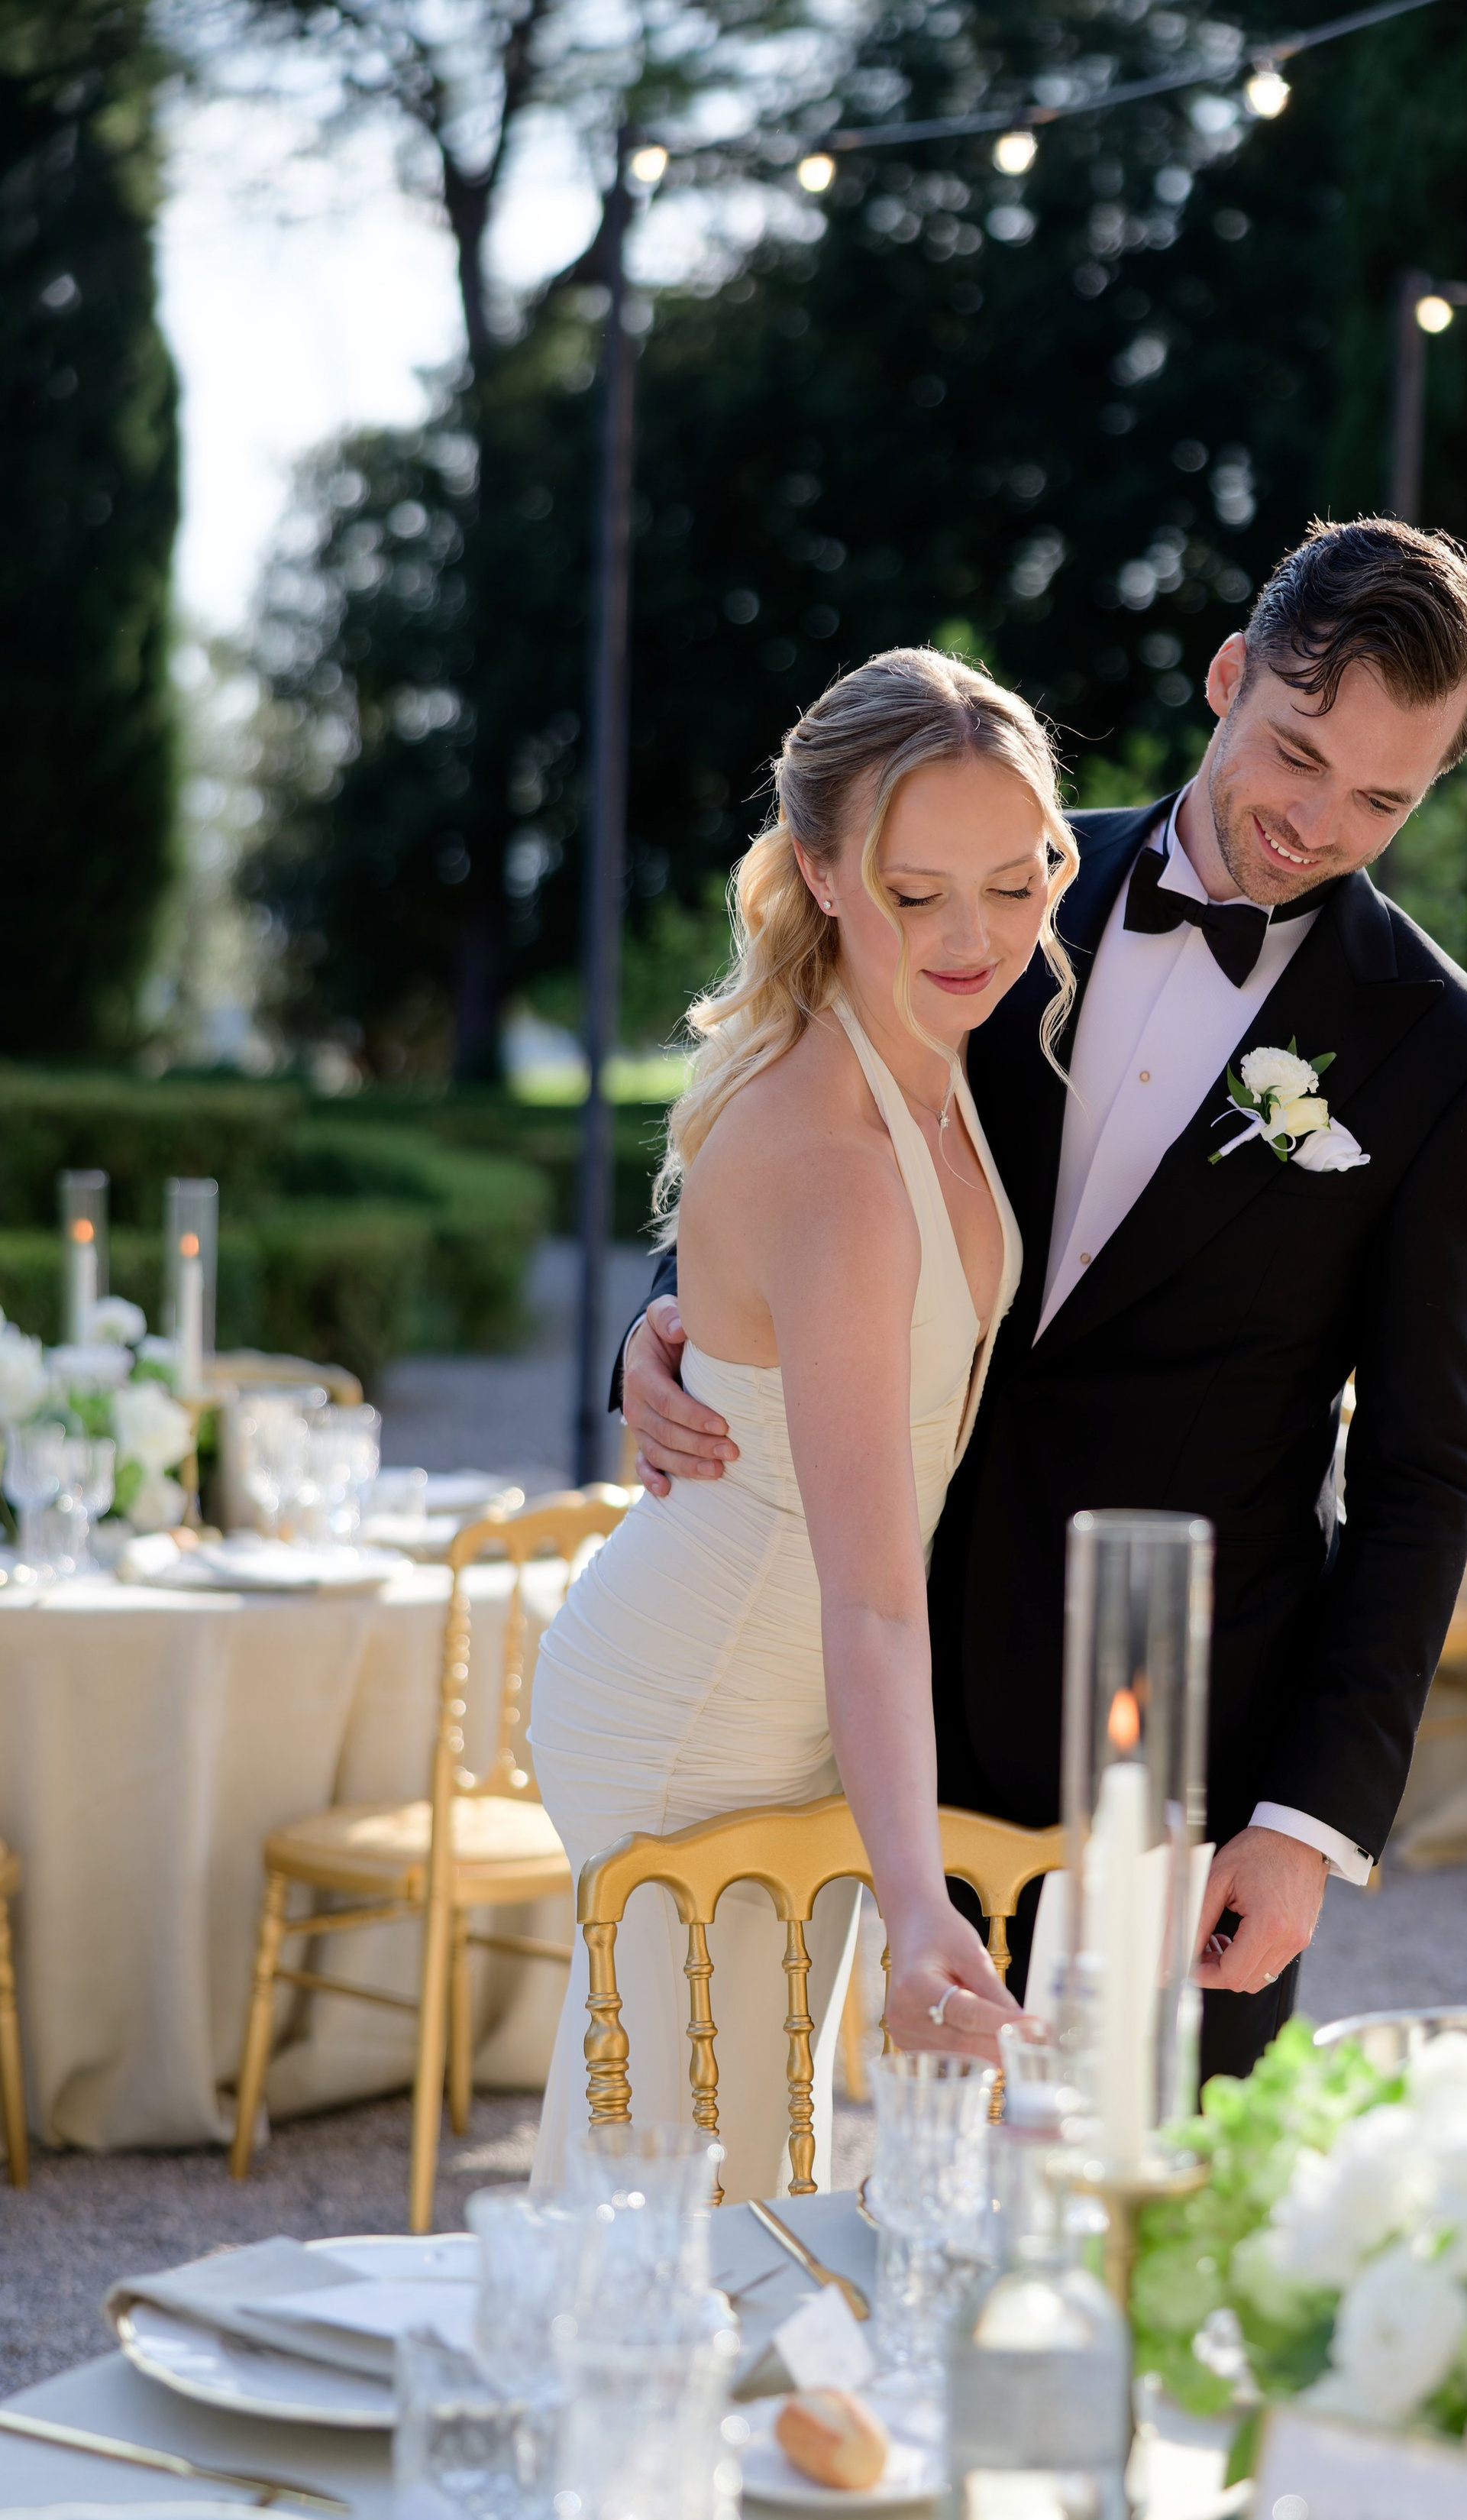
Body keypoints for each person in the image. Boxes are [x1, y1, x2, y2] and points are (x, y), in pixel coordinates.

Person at [621, 517, 1467, 2088]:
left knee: (1134, 2253)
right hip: (842, 1658)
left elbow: (1417, 1477)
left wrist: (1306, 1823)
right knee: (786, 2185)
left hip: (1168, 1749)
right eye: (1295, 754)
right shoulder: (991, 874)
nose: (1315, 822)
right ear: (1229, 676)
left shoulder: (1450, 1064)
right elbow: (799, 1108)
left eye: (1382, 797)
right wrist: (670, 1316)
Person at [524, 646, 1077, 2196]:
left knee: (750, 2162)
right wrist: (918, 1902)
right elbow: (868, 1592)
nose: (976, 937)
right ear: (824, 876)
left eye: (1015, 877)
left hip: (800, 1695)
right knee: (671, 2183)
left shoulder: (939, 1048)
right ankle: (581, 2417)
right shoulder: (834, 1151)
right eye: (917, 896)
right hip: (700, 1696)